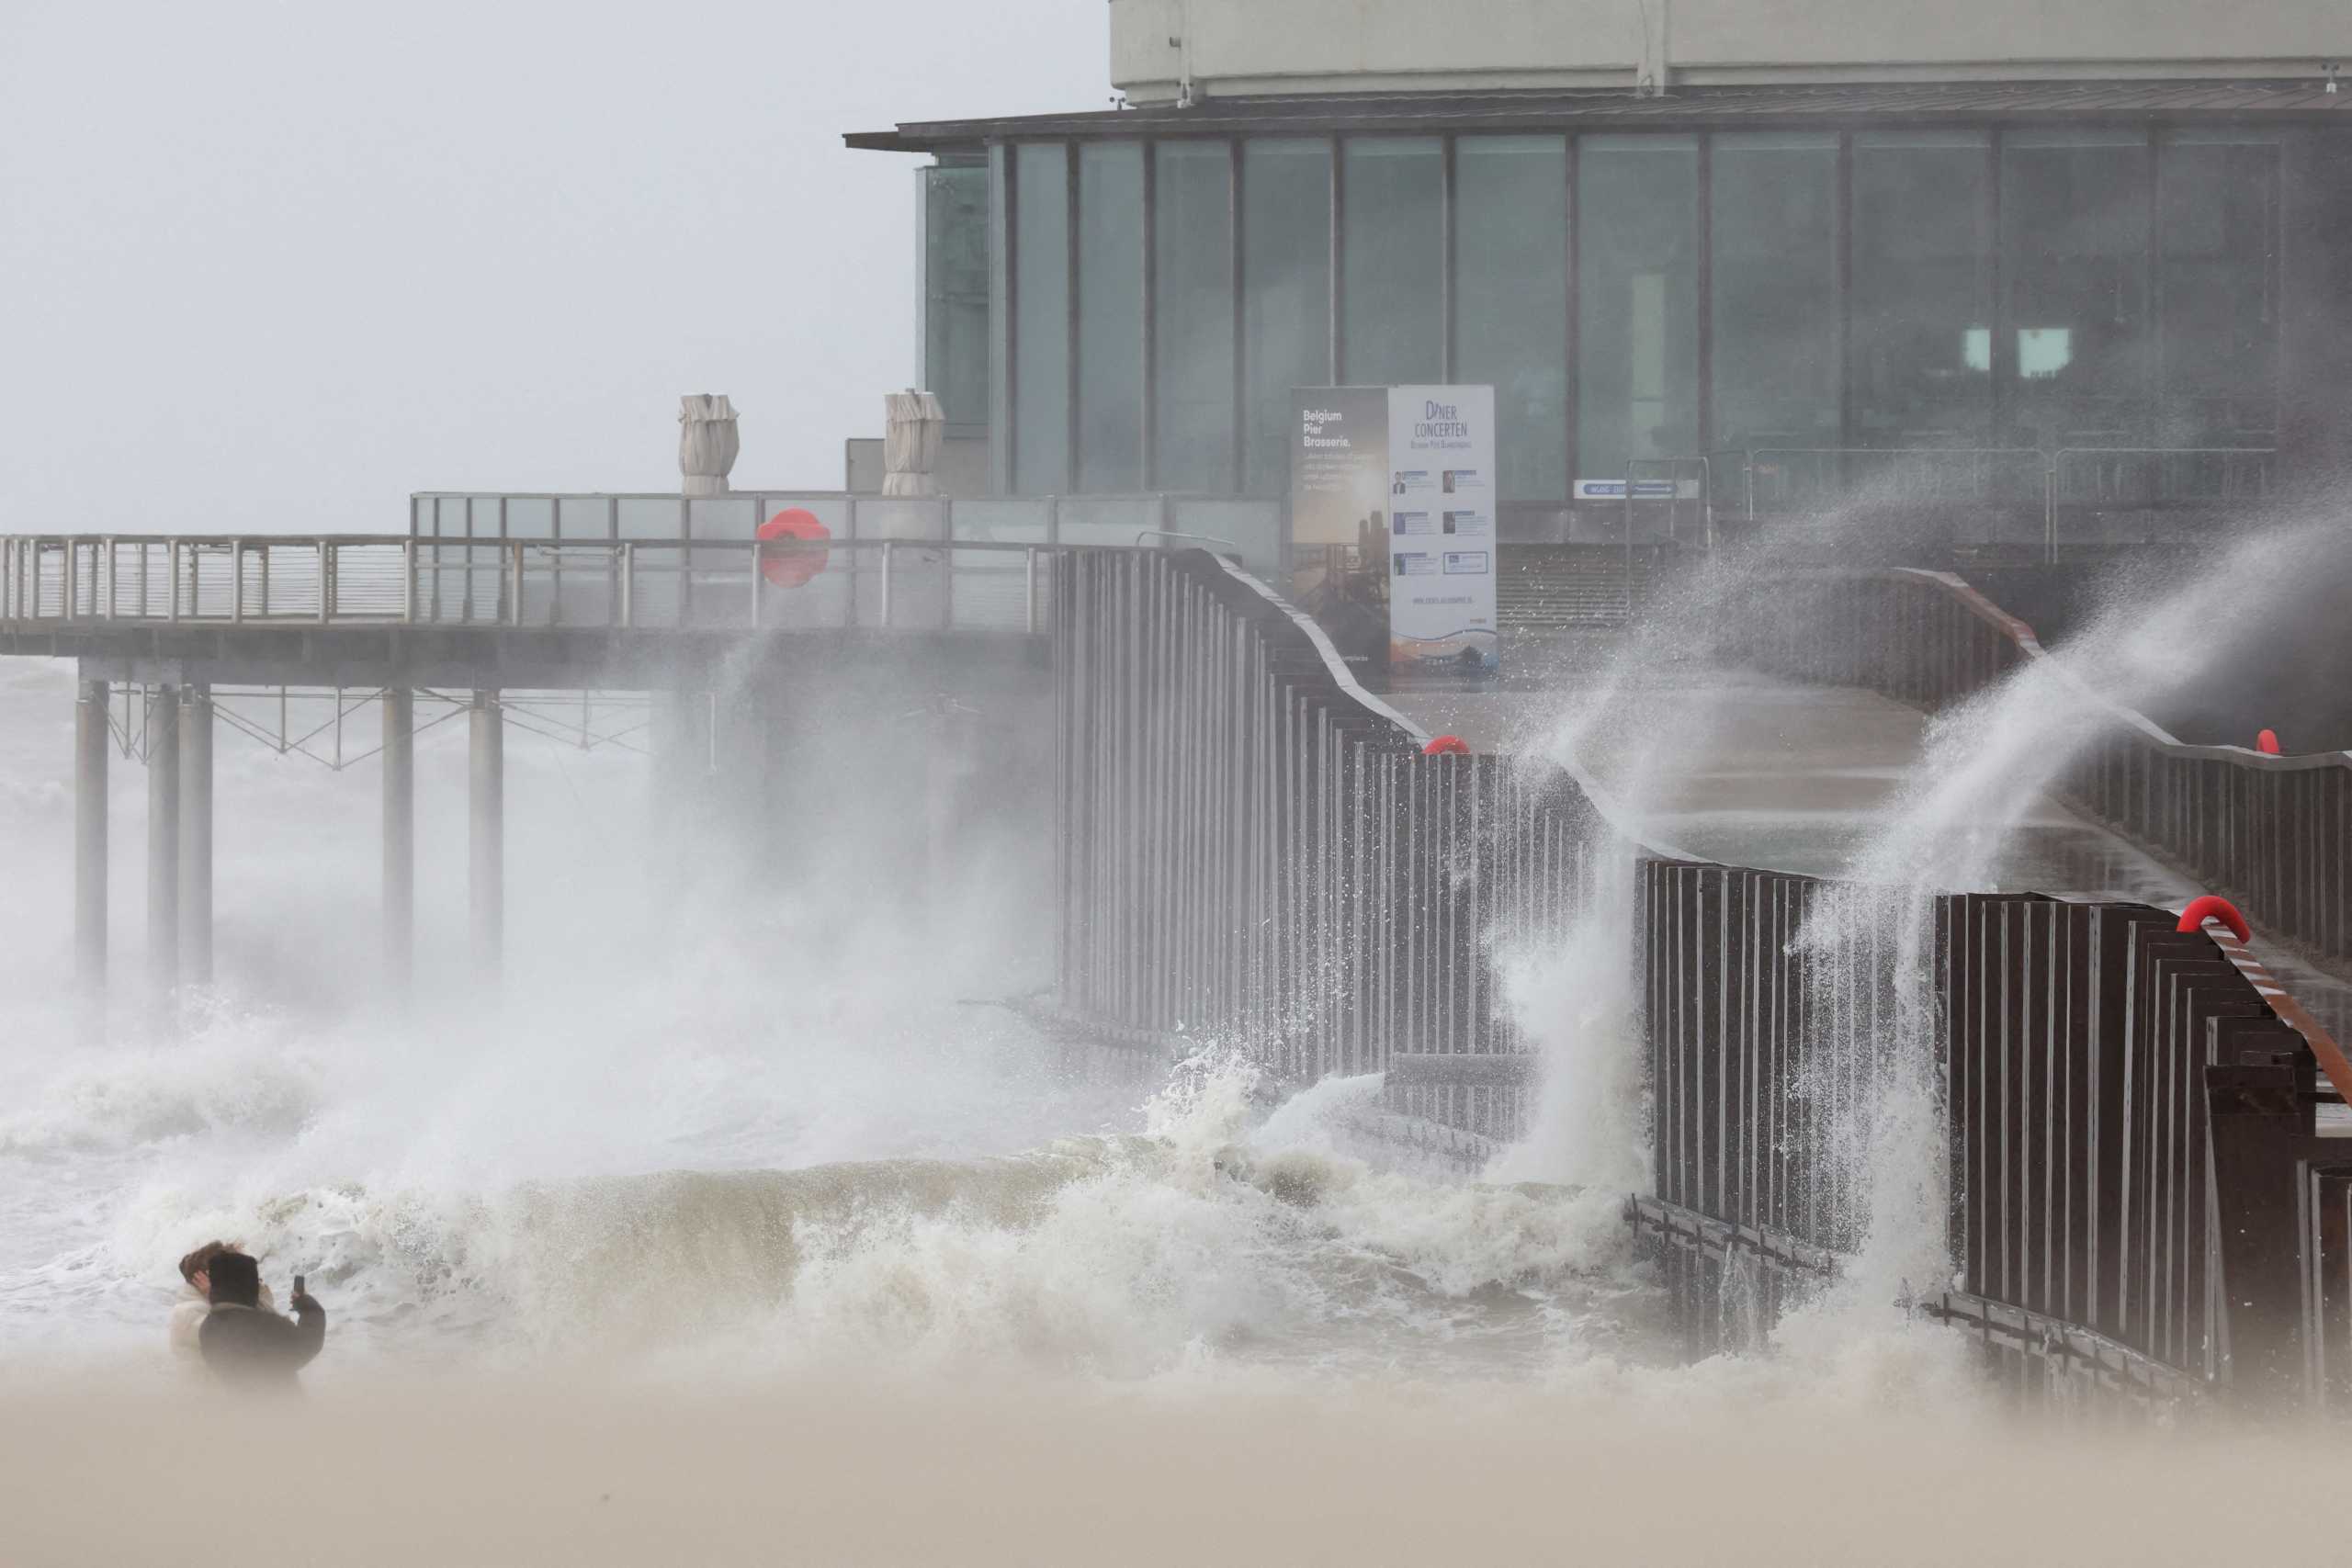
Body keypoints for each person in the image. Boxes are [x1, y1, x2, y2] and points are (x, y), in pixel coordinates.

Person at [197, 1250, 324, 1390]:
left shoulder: (208, 1327)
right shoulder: (263, 1326)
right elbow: (307, 1345)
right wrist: (308, 1307)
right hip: (280, 1406)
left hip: (238, 1406)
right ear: (246, 1284)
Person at [168, 1241, 273, 1365]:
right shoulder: (187, 1314)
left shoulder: (226, 1303)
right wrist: (219, 1298)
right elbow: (246, 1339)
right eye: (237, 1271)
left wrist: (254, 1287)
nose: (245, 1274)